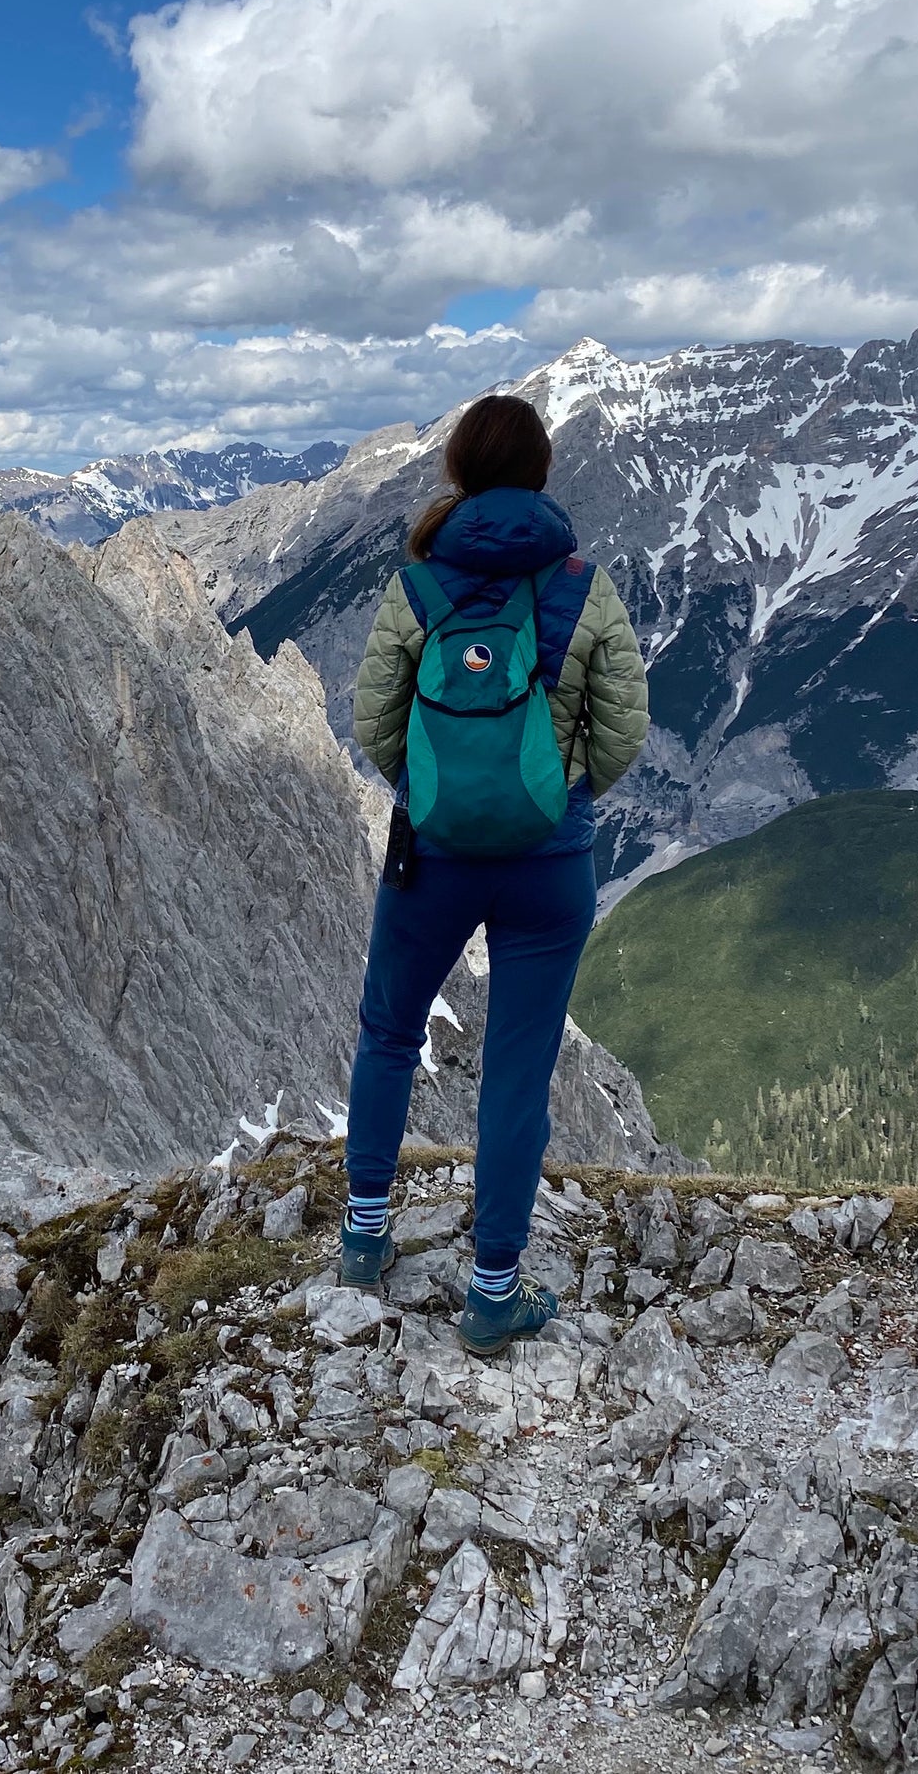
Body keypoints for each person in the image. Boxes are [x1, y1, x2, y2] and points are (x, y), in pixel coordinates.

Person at [340, 393, 649, 1354]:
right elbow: (625, 727)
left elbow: (372, 722)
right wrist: (560, 795)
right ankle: (491, 1291)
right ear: (545, 473)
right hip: (547, 867)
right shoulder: (582, 588)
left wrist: (434, 789)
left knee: (389, 1032)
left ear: (460, 474)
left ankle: (361, 1239)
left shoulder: (418, 587)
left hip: (431, 859)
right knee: (518, 1070)